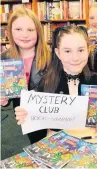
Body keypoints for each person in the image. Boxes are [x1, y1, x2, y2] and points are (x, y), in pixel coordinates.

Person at [15, 26, 97, 141]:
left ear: (88, 50)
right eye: (67, 51)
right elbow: (36, 132)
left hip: (88, 143)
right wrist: (26, 116)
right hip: (57, 145)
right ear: (58, 53)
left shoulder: (95, 80)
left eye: (81, 50)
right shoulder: (46, 82)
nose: (75, 58)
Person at [1, 7, 51, 160]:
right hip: (15, 130)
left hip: (45, 128)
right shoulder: (3, 59)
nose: (24, 34)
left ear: (38, 32)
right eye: (18, 29)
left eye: (30, 29)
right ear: (9, 32)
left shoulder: (52, 59)